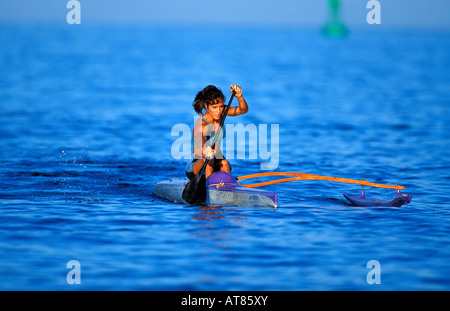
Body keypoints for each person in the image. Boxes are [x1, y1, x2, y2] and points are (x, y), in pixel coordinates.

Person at [185, 84, 248, 180]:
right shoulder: (201, 124)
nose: (218, 111)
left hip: (216, 161)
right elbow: (200, 140)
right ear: (206, 106)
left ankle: (229, 188)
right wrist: (204, 148)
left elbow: (243, 110)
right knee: (209, 159)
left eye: (221, 106)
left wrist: (239, 97)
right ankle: (209, 189)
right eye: (214, 107)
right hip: (197, 166)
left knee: (224, 163)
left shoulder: (221, 112)